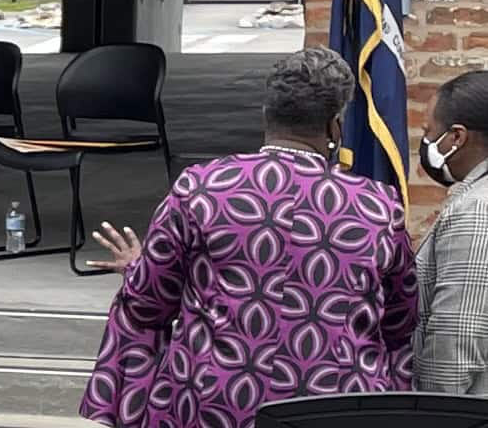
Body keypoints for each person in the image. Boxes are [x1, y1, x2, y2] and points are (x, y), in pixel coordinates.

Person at [79, 46, 417, 427]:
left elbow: (148, 304)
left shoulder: (202, 189)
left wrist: (138, 269)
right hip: (335, 404)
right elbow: (400, 320)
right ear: (335, 126)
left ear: (265, 115)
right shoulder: (378, 207)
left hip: (213, 402)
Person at [415, 69, 488, 395]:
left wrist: (434, 413)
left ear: (457, 137)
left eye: (430, 132)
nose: (427, 143)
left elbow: (458, 335)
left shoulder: (476, 211)